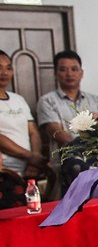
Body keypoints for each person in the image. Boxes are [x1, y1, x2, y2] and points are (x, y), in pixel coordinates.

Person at [36, 49, 98, 192]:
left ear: (81, 73)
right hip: (64, 167)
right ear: (56, 74)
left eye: (74, 69)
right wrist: (81, 150)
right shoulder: (47, 101)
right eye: (63, 70)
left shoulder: (95, 100)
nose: (69, 74)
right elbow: (56, 132)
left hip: (97, 166)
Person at [0, 50, 47, 186]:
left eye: (8, 68)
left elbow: (33, 131)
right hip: (5, 170)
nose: (4, 73)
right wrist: (29, 156)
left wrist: (35, 159)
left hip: (28, 170)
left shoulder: (18, 99)